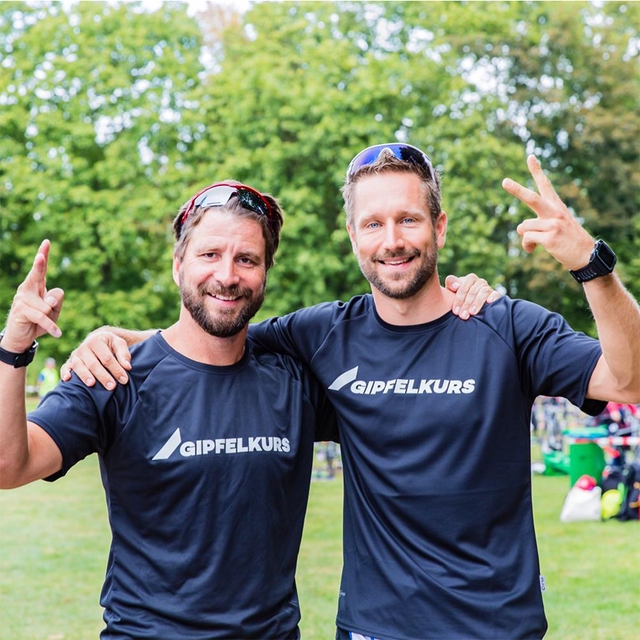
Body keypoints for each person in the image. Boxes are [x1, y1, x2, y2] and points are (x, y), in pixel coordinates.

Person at [64, 143, 638, 640]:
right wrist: (117, 339)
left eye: (409, 220)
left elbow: (628, 381)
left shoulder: (507, 326)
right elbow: (215, 332)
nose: (393, 240)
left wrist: (591, 265)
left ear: (439, 227)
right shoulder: (321, 334)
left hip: (497, 627)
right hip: (372, 628)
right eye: (373, 224)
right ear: (353, 236)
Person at [0, 182, 341, 638]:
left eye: (247, 259)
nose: (227, 275)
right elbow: (8, 465)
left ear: (265, 273)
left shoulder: (295, 381)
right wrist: (15, 345)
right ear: (178, 266)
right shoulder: (114, 372)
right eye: (209, 254)